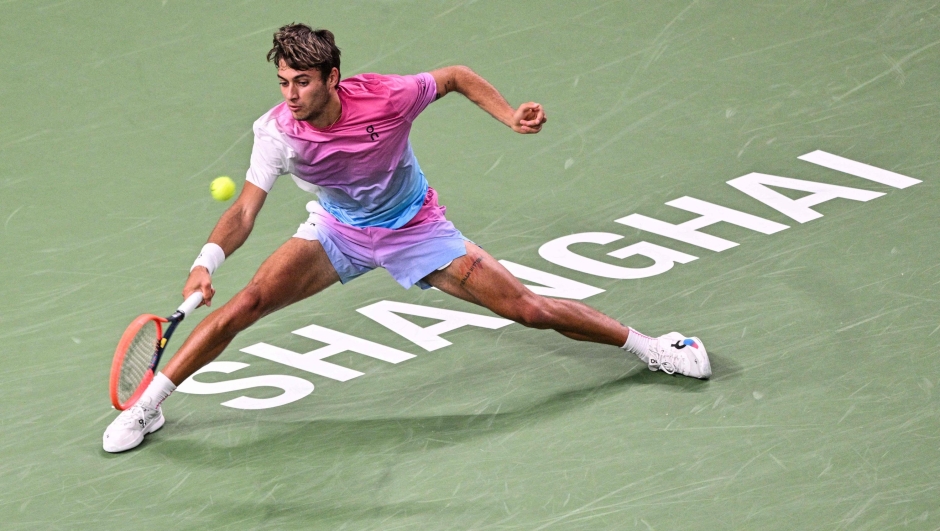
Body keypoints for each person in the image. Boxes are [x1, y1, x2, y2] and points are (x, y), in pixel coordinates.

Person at [103, 23, 711, 453]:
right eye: (284, 82)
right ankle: (148, 405)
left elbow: (453, 76)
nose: (290, 95)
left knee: (528, 309)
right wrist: (206, 260)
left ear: (333, 78)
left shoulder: (388, 96)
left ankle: (654, 347)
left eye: (303, 82)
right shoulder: (276, 133)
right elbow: (244, 212)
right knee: (249, 304)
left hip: (416, 228)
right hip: (339, 231)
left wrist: (507, 117)